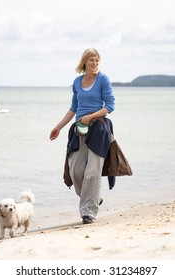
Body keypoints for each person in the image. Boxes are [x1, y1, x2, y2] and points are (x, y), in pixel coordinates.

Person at [49, 48, 115, 224]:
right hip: (79, 130)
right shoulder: (77, 82)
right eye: (91, 60)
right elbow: (73, 108)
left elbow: (110, 106)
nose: (94, 64)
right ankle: (93, 198)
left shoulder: (103, 79)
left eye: (97, 61)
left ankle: (88, 213)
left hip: (99, 129)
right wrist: (58, 127)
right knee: (76, 171)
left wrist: (91, 116)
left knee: (92, 172)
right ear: (84, 62)